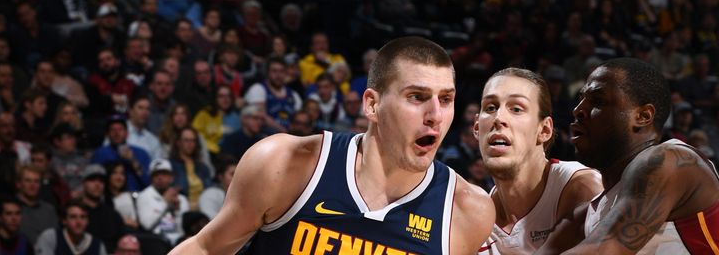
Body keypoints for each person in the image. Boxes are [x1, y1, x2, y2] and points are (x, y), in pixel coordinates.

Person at [170, 36, 495, 254]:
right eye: (417, 97)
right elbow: (206, 249)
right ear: (371, 105)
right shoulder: (287, 164)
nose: (435, 115)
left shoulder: (466, 212)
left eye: (446, 99)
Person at [536, 58, 719, 254]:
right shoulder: (587, 214)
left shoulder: (671, 160)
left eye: (598, 101)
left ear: (643, 116)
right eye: (580, 99)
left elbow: (604, 251)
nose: (578, 110)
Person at [474, 68, 602, 254]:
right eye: (491, 108)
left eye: (516, 109)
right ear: (477, 128)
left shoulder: (581, 187)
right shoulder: (474, 217)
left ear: (544, 130)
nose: (498, 118)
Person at [136, 159, 188, 246]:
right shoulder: (144, 196)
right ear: (151, 179)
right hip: (156, 241)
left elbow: (183, 230)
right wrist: (164, 202)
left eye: (164, 174)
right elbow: (147, 225)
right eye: (156, 175)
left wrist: (177, 211)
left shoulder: (181, 199)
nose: (160, 177)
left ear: (171, 178)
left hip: (179, 241)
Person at [34, 200, 107, 255]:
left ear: (88, 221)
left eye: (83, 217)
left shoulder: (97, 245)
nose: (79, 222)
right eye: (73, 217)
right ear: (64, 220)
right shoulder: (51, 237)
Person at [197, 155, 237, 220]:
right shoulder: (209, 195)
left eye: (238, 174)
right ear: (220, 176)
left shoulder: (242, 194)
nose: (237, 177)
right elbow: (210, 221)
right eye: (232, 174)